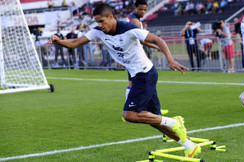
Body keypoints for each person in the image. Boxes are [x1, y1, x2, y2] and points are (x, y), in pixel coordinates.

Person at [49, 2, 200, 158]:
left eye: (102, 21)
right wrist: (59, 41)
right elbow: (75, 42)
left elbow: (158, 40)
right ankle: (190, 145)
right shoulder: (98, 32)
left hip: (145, 74)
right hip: (138, 75)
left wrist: (170, 59)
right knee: (155, 121)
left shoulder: (129, 28)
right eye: (97, 22)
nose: (100, 25)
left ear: (111, 17)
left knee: (129, 115)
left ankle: (174, 122)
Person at [126, 0, 168, 115]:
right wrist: (155, 46)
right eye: (140, 9)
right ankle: (128, 109)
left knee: (142, 81)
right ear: (135, 8)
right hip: (135, 57)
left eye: (145, 9)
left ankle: (155, 109)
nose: (143, 12)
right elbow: (141, 40)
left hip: (132, 56)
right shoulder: (134, 20)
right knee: (136, 81)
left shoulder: (134, 19)